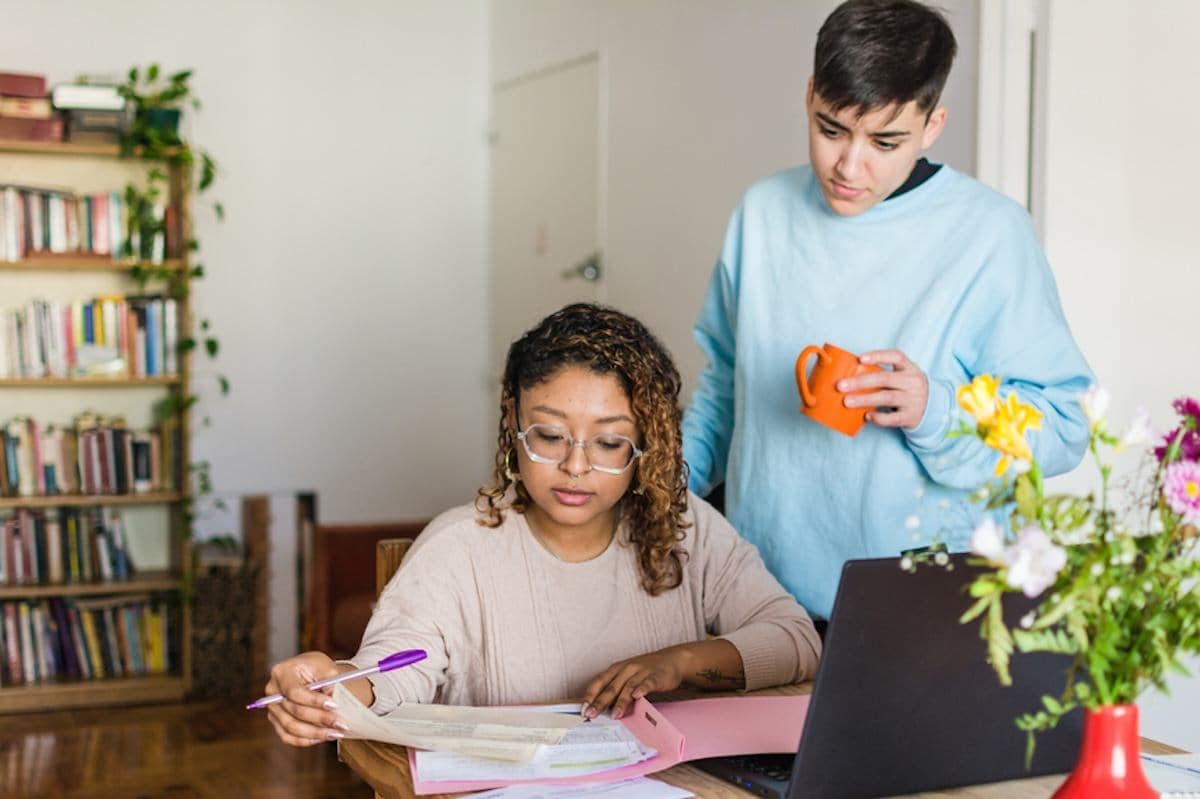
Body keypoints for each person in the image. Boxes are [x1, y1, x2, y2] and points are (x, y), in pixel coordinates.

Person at [682, 0, 1094, 621]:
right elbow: (723, 387)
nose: (849, 166)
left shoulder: (992, 235)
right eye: (831, 129)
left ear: (932, 125)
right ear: (809, 95)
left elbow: (1066, 423)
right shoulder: (761, 213)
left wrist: (936, 408)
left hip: (918, 605)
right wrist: (662, 486)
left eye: (885, 141)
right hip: (756, 594)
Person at [265, 303, 821, 748]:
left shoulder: (685, 528)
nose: (576, 467)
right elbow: (392, 673)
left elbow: (797, 641)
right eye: (550, 437)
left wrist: (676, 664)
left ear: (645, 445)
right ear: (514, 425)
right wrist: (331, 684)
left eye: (609, 442)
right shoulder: (459, 549)